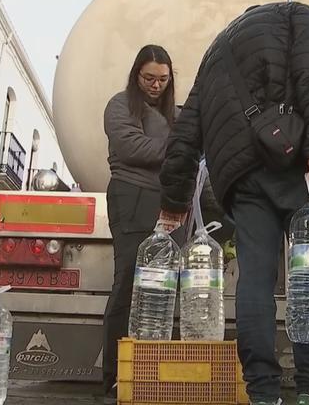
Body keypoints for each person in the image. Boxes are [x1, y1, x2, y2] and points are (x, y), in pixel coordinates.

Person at [158, 2, 309, 405]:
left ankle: (263, 393)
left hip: (245, 179)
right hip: (300, 166)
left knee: (255, 282)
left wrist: (174, 200)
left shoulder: (215, 54)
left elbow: (186, 132)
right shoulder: (296, 15)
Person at [101, 44, 178, 404]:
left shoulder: (172, 114)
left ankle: (148, 372)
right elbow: (132, 147)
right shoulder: (120, 105)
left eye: (162, 79)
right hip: (130, 197)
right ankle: (114, 378)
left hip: (164, 203)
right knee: (127, 283)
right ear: (137, 75)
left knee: (158, 290)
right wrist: (179, 149)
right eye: (149, 78)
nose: (155, 85)